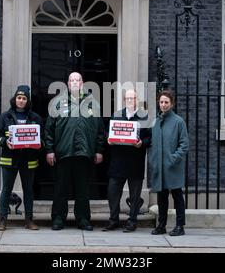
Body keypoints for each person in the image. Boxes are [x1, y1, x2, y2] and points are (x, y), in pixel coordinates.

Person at [45, 72, 105, 231]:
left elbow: (100, 130)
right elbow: (49, 130)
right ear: (67, 83)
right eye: (72, 80)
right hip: (63, 153)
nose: (74, 83)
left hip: (85, 154)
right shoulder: (57, 103)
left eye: (77, 80)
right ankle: (58, 218)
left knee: (83, 190)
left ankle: (83, 219)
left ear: (82, 83)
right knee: (60, 189)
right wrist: (49, 150)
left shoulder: (93, 103)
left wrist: (99, 150)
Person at [0, 85, 43, 231]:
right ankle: (2, 219)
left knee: (28, 190)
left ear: (28, 101)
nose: (21, 100)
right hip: (9, 159)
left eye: (24, 98)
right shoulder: (5, 117)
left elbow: (43, 138)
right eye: (19, 98)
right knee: (6, 190)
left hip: (28, 159)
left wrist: (39, 144)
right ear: (15, 99)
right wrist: (4, 142)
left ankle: (29, 220)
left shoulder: (36, 118)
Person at [103, 89, 151, 232]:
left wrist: (142, 143)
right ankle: (113, 220)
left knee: (135, 195)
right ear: (124, 100)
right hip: (118, 161)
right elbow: (107, 131)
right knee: (112, 192)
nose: (130, 100)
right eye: (128, 98)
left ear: (137, 100)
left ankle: (132, 221)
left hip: (135, 161)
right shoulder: (116, 115)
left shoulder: (145, 117)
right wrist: (108, 139)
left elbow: (150, 137)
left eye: (133, 98)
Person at [147, 90, 189, 236]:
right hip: (159, 165)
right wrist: (153, 160)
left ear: (171, 104)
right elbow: (152, 143)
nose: (163, 105)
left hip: (173, 166)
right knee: (162, 197)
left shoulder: (178, 121)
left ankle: (180, 226)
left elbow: (184, 145)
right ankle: (161, 225)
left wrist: (173, 158)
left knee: (177, 196)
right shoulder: (157, 121)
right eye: (161, 102)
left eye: (166, 102)